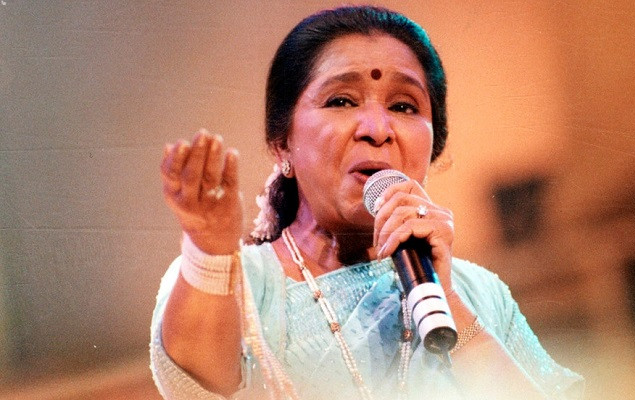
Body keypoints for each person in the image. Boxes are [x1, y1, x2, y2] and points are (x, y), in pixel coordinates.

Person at [150, 5, 583, 400]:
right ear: (282, 144)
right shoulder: (233, 281)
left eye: (404, 106)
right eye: (341, 100)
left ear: (433, 147)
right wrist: (209, 249)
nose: (377, 129)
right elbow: (195, 383)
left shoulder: (479, 293)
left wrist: (449, 303)